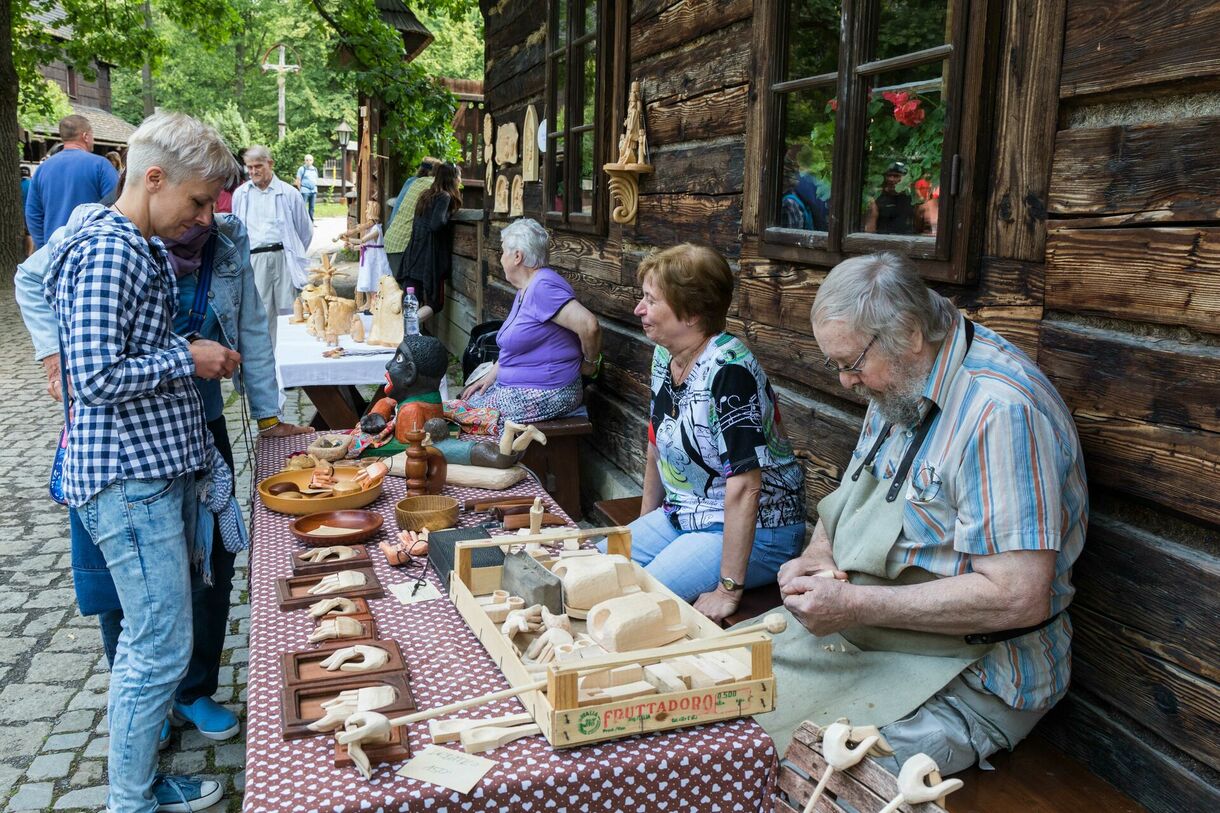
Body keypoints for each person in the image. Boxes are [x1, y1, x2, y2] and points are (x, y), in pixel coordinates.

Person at [762, 251, 1087, 769]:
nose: (845, 381)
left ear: (911, 332)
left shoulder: (999, 414)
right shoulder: (901, 379)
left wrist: (854, 607)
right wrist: (819, 552)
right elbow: (852, 492)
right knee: (722, 693)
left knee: (800, 768)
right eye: (836, 364)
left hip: (975, 679)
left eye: (851, 363)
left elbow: (1017, 597)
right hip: (868, 635)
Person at [43, 111, 244, 813]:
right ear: (152, 177)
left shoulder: (134, 243)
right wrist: (188, 354)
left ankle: (141, 783)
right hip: (127, 480)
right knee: (157, 646)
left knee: (156, 638)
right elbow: (93, 375)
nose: (199, 217)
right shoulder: (112, 248)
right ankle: (129, 802)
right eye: (194, 201)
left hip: (146, 472)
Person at [623, 243, 806, 622]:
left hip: (759, 529)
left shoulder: (728, 370)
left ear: (691, 313)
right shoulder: (665, 354)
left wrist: (727, 590)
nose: (639, 309)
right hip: (687, 514)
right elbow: (657, 444)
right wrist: (644, 524)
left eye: (651, 301)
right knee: (599, 568)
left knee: (640, 596)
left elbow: (745, 486)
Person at [460, 218, 601, 426]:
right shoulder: (526, 288)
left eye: (503, 252)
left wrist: (590, 364)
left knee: (468, 420)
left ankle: (509, 459)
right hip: (525, 386)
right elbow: (514, 347)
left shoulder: (542, 287)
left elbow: (590, 326)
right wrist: (490, 377)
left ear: (517, 256)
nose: (501, 259)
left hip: (551, 391)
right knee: (464, 402)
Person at [231, 145, 313, 346]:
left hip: (283, 257)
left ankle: (289, 355)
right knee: (262, 311)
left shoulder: (288, 193)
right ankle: (266, 364)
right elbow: (237, 229)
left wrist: (292, 252)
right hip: (255, 258)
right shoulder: (240, 194)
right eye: (249, 167)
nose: (253, 172)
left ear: (270, 164)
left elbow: (305, 231)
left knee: (289, 308)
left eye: (257, 166)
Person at [24, 114, 119, 248]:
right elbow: (118, 205)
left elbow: (32, 213)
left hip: (55, 251)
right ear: (85, 136)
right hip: (92, 250)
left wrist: (45, 247)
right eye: (92, 135)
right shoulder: (101, 166)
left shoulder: (42, 169)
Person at [396, 161, 461, 322]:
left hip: (413, 254)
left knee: (412, 300)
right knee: (435, 302)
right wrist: (449, 215)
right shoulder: (444, 197)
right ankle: (409, 327)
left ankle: (405, 335)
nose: (460, 180)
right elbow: (436, 224)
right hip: (429, 259)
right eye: (459, 176)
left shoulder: (425, 195)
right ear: (452, 179)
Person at [383, 158, 438, 276]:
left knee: (398, 286)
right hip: (402, 242)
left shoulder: (411, 181)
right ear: (431, 173)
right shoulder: (427, 183)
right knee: (404, 288)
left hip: (391, 237)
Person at [863, 161, 916, 235]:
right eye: (889, 175)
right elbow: (870, 229)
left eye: (896, 176)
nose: (891, 179)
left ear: (906, 178)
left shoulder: (912, 199)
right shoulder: (877, 199)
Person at [295, 153, 319, 220]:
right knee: (303, 207)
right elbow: (298, 180)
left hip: (313, 190)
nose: (309, 162)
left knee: (312, 207)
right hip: (305, 190)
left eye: (310, 160)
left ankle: (311, 222)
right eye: (307, 160)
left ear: (313, 161)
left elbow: (315, 179)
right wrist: (300, 189)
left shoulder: (315, 169)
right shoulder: (302, 169)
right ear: (304, 161)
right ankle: (303, 221)